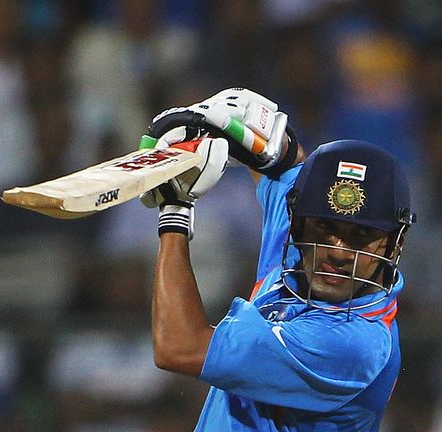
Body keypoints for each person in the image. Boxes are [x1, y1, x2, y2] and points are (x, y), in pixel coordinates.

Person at [142, 88, 416, 431]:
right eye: (324, 228)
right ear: (298, 222)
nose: (337, 252)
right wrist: (238, 129)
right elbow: (287, 165)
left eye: (361, 236)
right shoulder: (299, 243)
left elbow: (177, 347)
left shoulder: (353, 346)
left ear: (394, 243)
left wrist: (175, 210)